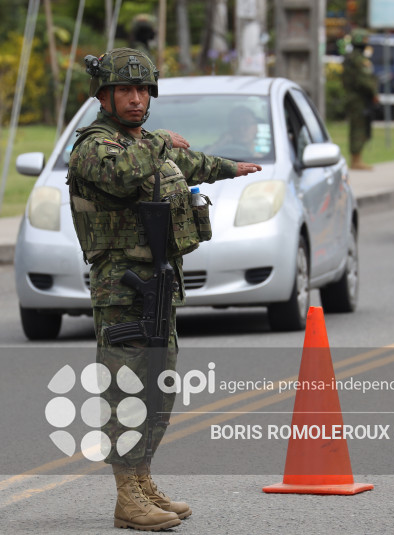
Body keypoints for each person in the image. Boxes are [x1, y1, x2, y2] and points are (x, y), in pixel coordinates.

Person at [67, 48, 261, 531]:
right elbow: (126, 172)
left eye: (143, 91)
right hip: (121, 287)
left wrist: (230, 168)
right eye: (126, 91)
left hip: (158, 282)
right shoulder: (95, 146)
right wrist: (157, 143)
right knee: (125, 387)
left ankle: (144, 479)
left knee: (159, 386)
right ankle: (125, 496)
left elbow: (188, 162)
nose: (136, 99)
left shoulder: (143, 141)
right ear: (103, 95)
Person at [342, 28, 378, 171]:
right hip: (359, 99)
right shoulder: (358, 60)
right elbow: (365, 81)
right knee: (359, 128)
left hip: (353, 98)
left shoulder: (350, 58)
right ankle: (356, 160)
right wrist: (374, 93)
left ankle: (356, 158)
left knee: (357, 127)